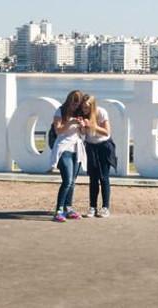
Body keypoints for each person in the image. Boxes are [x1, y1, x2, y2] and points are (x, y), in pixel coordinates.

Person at [50, 90, 88, 223]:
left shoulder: (80, 114)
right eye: (73, 103)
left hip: (76, 149)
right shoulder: (60, 111)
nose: (75, 106)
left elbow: (83, 134)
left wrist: (83, 126)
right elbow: (58, 130)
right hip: (64, 148)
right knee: (67, 180)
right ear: (69, 101)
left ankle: (68, 208)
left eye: (77, 104)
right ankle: (59, 210)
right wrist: (70, 123)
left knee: (72, 181)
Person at [79, 94, 115, 218]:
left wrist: (92, 126)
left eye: (87, 108)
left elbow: (106, 131)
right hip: (91, 147)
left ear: (93, 106)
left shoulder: (101, 112)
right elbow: (83, 134)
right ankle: (92, 207)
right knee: (93, 178)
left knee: (104, 178)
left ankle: (105, 207)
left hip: (104, 146)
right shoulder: (82, 115)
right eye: (83, 107)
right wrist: (83, 127)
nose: (84, 110)